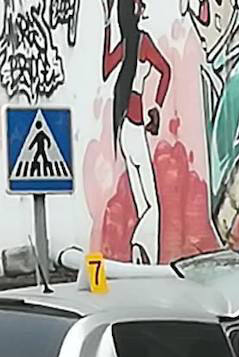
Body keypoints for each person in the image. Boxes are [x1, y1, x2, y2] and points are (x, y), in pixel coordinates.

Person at [102, 0, 171, 265]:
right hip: (135, 121)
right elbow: (166, 70)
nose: (144, 9)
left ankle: (141, 256)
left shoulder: (128, 44)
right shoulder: (142, 42)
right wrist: (157, 105)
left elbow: (107, 67)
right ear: (133, 10)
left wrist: (107, 25)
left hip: (123, 125)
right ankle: (144, 252)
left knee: (144, 203)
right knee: (152, 204)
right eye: (140, 5)